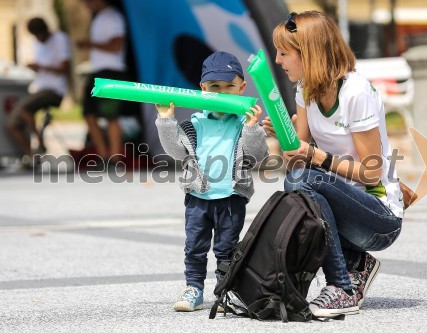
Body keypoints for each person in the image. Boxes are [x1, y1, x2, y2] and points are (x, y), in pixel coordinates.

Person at [264, 11, 404, 318]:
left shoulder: (356, 92)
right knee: (297, 180)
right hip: (344, 207)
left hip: (379, 215)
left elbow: (371, 172)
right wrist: (285, 134)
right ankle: (354, 263)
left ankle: (342, 286)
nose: (277, 60)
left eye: (284, 53)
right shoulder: (304, 89)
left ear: (309, 54)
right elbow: (296, 162)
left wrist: (314, 155)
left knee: (305, 179)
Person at [155, 51, 269, 312]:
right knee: (194, 247)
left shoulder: (244, 123)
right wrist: (165, 120)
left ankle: (225, 290)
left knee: (226, 249)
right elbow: (177, 151)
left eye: (230, 86)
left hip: (231, 197)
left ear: (242, 88)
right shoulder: (194, 124)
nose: (222, 93)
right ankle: (193, 288)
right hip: (198, 197)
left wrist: (252, 128)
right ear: (203, 89)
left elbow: (256, 156)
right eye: (215, 87)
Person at [5, 17, 70, 165]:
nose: (38, 39)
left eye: (39, 35)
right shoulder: (37, 44)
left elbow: (65, 68)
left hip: (54, 89)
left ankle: (39, 142)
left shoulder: (60, 39)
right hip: (39, 87)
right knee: (12, 124)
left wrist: (41, 67)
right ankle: (32, 157)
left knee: (22, 108)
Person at [77, 0, 128, 164]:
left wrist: (90, 44)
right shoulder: (98, 18)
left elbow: (116, 45)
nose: (86, 5)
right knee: (88, 114)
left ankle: (115, 158)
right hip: (97, 70)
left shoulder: (113, 17)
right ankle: (104, 156)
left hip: (112, 70)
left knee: (111, 114)